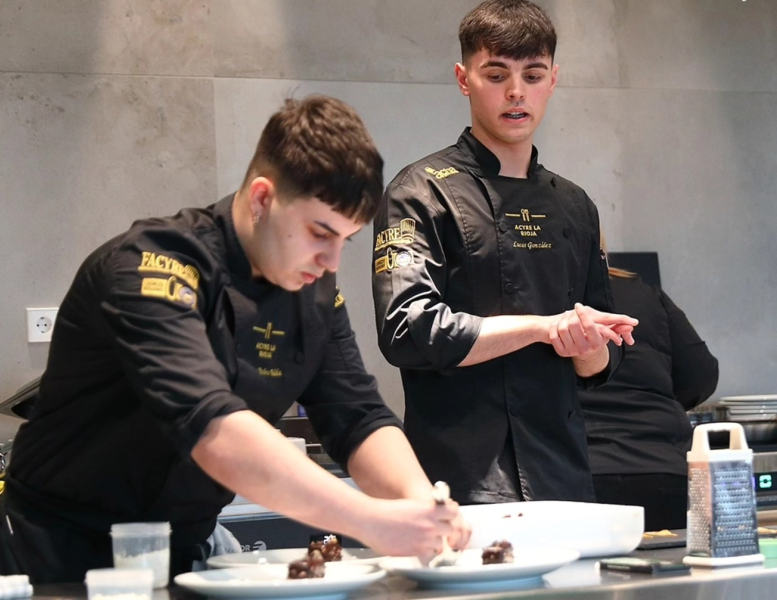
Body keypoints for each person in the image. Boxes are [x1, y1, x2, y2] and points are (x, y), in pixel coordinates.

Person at [0, 95, 469, 583]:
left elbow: (358, 415)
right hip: (54, 548)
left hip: (183, 549)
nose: (331, 262)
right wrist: (370, 520)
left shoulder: (313, 292)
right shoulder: (151, 265)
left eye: (344, 241)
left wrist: (423, 506)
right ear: (264, 198)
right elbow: (212, 430)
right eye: (319, 233)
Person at [371, 0, 638, 506]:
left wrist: (587, 343)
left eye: (532, 75)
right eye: (497, 74)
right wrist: (542, 327)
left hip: (564, 484)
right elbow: (407, 330)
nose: (516, 92)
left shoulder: (575, 204)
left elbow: (602, 366)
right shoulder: (421, 191)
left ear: (553, 80)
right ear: (463, 78)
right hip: (459, 485)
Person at [578, 252, 719, 530]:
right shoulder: (644, 293)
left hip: (576, 479)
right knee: (675, 568)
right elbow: (700, 375)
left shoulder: (531, 303)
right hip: (663, 472)